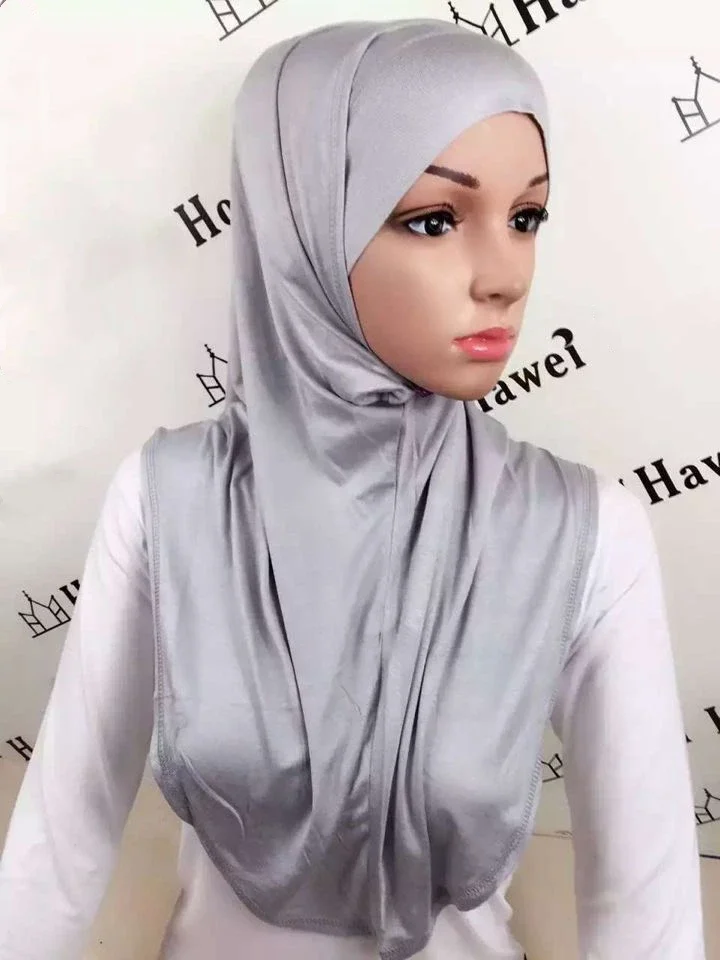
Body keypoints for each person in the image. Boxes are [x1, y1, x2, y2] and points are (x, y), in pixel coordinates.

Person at [0, 17, 706, 960]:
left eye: (527, 217)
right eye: (434, 220)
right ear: (304, 223)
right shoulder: (171, 499)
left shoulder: (578, 529)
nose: (505, 275)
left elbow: (644, 904)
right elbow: (64, 836)